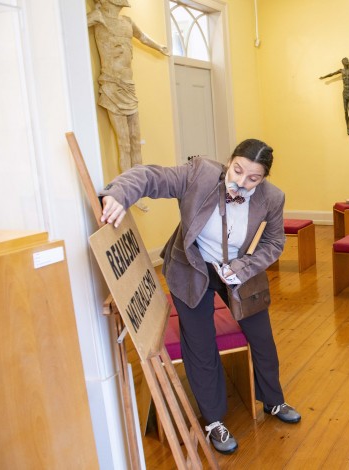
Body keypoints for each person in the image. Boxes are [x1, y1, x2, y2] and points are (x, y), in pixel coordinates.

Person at [99, 139, 301, 455]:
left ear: (263, 180)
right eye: (237, 170)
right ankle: (213, 421)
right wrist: (118, 194)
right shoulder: (200, 174)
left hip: (239, 270)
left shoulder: (272, 198)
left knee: (262, 337)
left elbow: (274, 243)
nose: (241, 182)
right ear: (229, 161)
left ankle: (274, 402)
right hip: (191, 267)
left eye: (253, 178)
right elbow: (152, 176)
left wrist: (244, 266)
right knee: (200, 342)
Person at [87, 0, 169, 174]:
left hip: (129, 87)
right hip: (112, 86)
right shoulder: (98, 17)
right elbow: (71, 27)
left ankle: (139, 184)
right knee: (123, 142)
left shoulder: (127, 22)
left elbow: (143, 38)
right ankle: (127, 188)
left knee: (135, 139)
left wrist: (159, 46)